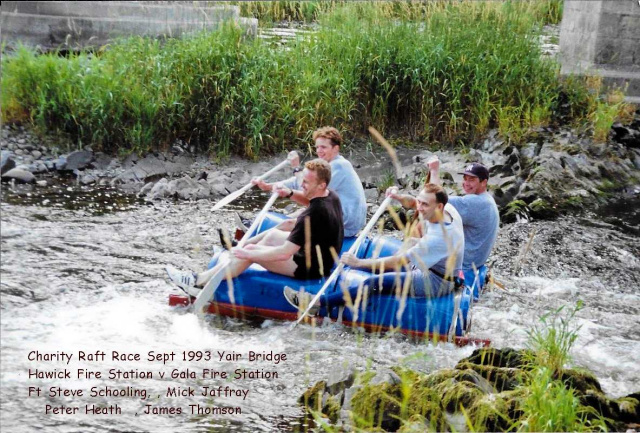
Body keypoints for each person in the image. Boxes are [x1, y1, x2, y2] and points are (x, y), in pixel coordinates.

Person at [166, 159, 344, 297]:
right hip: (320, 257)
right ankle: (236, 249)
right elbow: (308, 200)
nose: (301, 184)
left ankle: (198, 281)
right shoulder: (330, 196)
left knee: (252, 252)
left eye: (306, 182)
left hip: (309, 268)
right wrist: (289, 193)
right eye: (302, 180)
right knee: (273, 235)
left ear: (321, 184)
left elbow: (284, 253)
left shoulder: (311, 215)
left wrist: (250, 255)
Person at [283, 184, 465, 312]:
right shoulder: (447, 210)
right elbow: (413, 203)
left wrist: (358, 263)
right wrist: (398, 197)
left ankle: (317, 304)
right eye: (420, 202)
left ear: (439, 206)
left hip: (434, 282)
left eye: (426, 204)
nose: (421, 208)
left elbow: (397, 262)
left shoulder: (438, 238)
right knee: (408, 244)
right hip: (437, 265)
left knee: (374, 283)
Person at [387, 157, 499, 271]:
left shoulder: (475, 202)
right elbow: (425, 204)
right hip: (471, 259)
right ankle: (400, 265)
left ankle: (398, 268)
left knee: (420, 228)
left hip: (463, 265)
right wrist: (398, 197)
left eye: (471, 180)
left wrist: (434, 171)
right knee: (421, 227)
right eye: (465, 179)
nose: (466, 183)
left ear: (484, 182)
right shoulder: (486, 200)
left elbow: (435, 200)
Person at [252, 126, 366, 238]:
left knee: (296, 220)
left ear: (335, 148)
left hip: (345, 225)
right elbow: (298, 182)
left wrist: (296, 169)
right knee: (300, 212)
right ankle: (255, 226)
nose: (319, 151)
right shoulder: (327, 164)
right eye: (317, 147)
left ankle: (257, 237)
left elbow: (308, 193)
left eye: (323, 147)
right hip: (339, 217)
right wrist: (267, 186)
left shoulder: (339, 166)